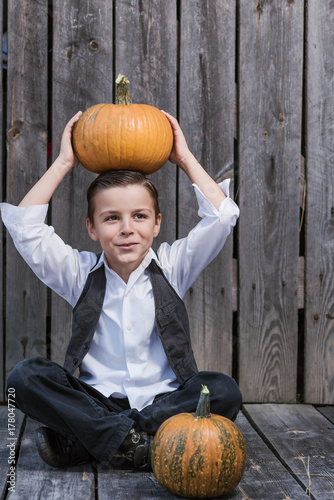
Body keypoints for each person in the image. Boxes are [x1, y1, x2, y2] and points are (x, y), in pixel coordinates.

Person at [1, 111, 241, 471]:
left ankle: (99, 440)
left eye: (140, 216)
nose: (127, 229)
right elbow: (25, 228)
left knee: (223, 390)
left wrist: (184, 158)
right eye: (112, 218)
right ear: (92, 228)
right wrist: (65, 161)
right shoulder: (79, 273)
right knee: (23, 377)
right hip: (96, 402)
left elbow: (222, 218)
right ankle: (138, 444)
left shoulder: (173, 267)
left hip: (164, 403)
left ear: (157, 223)